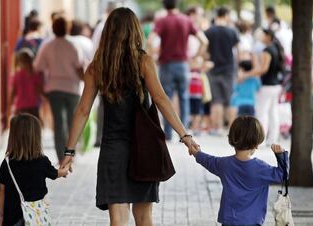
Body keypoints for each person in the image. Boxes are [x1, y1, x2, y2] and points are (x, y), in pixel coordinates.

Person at [60, 8, 200, 226]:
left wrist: (69, 151)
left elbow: (83, 111)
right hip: (143, 148)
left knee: (118, 218)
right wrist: (185, 136)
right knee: (144, 218)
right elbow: (161, 100)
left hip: (112, 150)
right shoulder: (143, 62)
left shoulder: (97, 67)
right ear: (135, 32)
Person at [189, 116, 289, 226]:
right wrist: (281, 156)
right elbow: (282, 175)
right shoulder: (261, 168)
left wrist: (196, 153)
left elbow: (208, 161)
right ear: (256, 144)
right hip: (252, 221)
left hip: (228, 221)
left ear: (232, 139)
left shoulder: (224, 164)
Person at [147, 0, 208, 140]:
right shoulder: (186, 20)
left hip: (166, 64)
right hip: (183, 64)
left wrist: (153, 58)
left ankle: (168, 133)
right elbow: (204, 41)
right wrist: (195, 57)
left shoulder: (162, 21)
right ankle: (184, 133)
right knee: (184, 97)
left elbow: (150, 41)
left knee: (165, 99)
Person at [0, 114, 68, 226]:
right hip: (36, 217)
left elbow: (2, 190)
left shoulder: (7, 163)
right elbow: (56, 173)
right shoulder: (42, 161)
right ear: (36, 137)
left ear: (13, 137)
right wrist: (66, 168)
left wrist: (1, 216)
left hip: (12, 219)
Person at [34, 17, 84, 162]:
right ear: (67, 28)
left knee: (58, 123)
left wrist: (41, 89)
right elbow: (80, 68)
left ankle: (61, 157)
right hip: (72, 88)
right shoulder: (73, 45)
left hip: (54, 88)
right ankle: (71, 155)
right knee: (72, 122)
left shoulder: (47, 46)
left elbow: (38, 69)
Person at [239, 28, 285, 145]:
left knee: (262, 112)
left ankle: (261, 139)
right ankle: (272, 138)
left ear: (268, 36)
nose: (261, 37)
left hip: (267, 86)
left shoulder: (267, 50)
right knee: (272, 112)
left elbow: (263, 69)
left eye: (263, 35)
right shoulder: (276, 48)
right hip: (276, 85)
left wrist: (246, 75)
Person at [205, 7, 240, 135]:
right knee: (230, 100)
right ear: (226, 15)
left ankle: (217, 128)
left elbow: (204, 49)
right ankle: (232, 129)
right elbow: (238, 51)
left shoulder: (209, 31)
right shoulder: (232, 32)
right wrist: (239, 68)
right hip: (229, 70)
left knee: (216, 100)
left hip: (213, 69)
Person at [92, 1, 117, 147]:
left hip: (105, 67)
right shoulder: (113, 27)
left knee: (103, 103)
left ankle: (100, 137)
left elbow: (95, 48)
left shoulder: (102, 27)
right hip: (116, 69)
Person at [9, 49, 44, 119]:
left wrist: (10, 105)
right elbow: (39, 90)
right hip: (33, 107)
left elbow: (13, 92)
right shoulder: (36, 75)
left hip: (21, 107)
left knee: (21, 128)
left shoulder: (17, 75)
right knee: (34, 128)